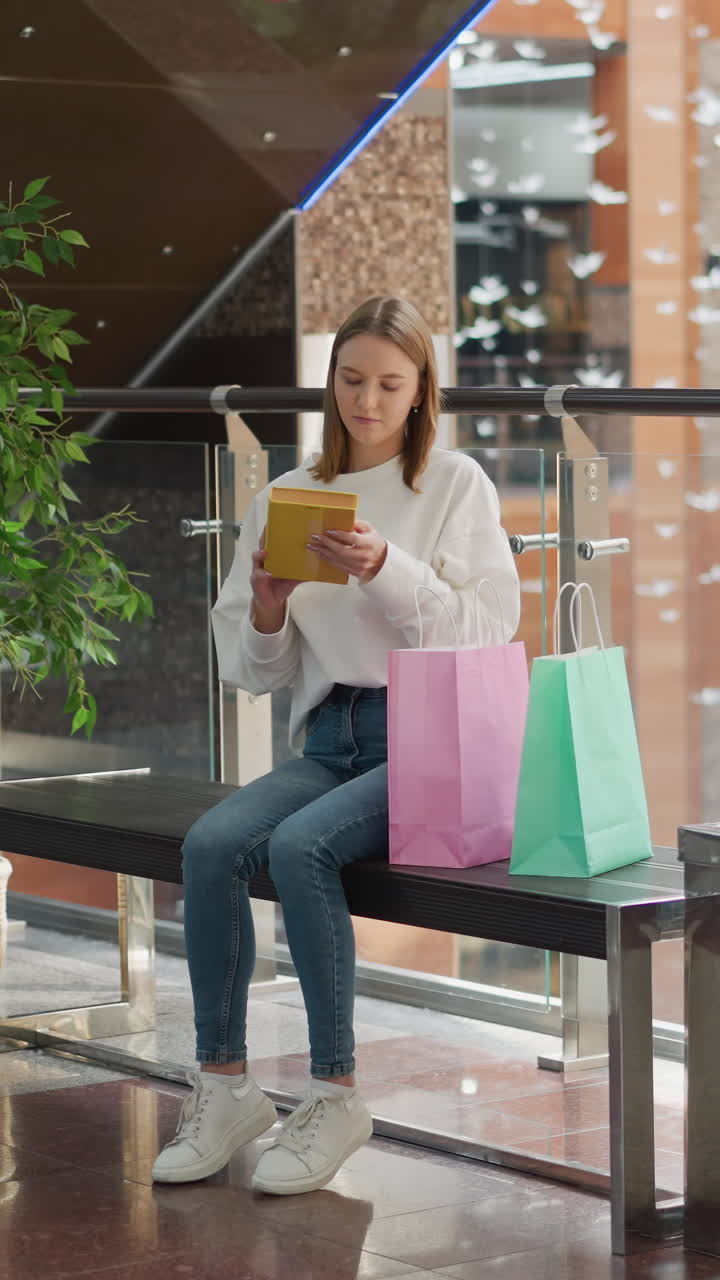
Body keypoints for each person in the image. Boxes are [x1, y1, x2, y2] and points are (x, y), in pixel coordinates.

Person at [152, 295, 521, 1195]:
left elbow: (489, 628)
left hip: (425, 741)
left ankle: (335, 1093)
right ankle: (225, 1082)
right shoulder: (285, 494)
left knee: (296, 845)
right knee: (208, 845)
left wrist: (386, 569)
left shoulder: (456, 485)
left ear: (420, 389)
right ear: (332, 384)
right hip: (329, 734)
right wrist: (273, 608)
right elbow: (252, 668)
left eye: (390, 384)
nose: (368, 400)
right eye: (353, 380)